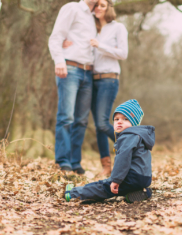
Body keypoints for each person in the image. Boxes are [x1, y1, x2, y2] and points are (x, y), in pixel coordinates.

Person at [63, 0, 128, 177]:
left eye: (102, 5)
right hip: (91, 79)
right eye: (96, 5)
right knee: (97, 126)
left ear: (109, 8)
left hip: (109, 79)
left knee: (101, 122)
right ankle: (106, 166)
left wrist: (101, 46)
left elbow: (123, 53)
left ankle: (130, 142)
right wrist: (65, 42)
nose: (98, 8)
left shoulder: (118, 27)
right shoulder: (93, 28)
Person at [64, 99, 155, 203]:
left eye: (125, 119)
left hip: (132, 176)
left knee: (104, 187)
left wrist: (116, 180)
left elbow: (123, 159)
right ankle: (142, 192)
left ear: (134, 123)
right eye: (116, 119)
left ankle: (73, 194)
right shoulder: (139, 136)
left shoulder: (128, 136)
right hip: (144, 178)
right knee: (120, 185)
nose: (120, 121)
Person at [49, 0, 98, 174]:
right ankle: (63, 161)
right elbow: (56, 37)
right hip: (69, 69)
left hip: (88, 72)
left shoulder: (96, 17)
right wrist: (59, 61)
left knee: (82, 121)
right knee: (66, 117)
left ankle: (75, 162)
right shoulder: (72, 8)